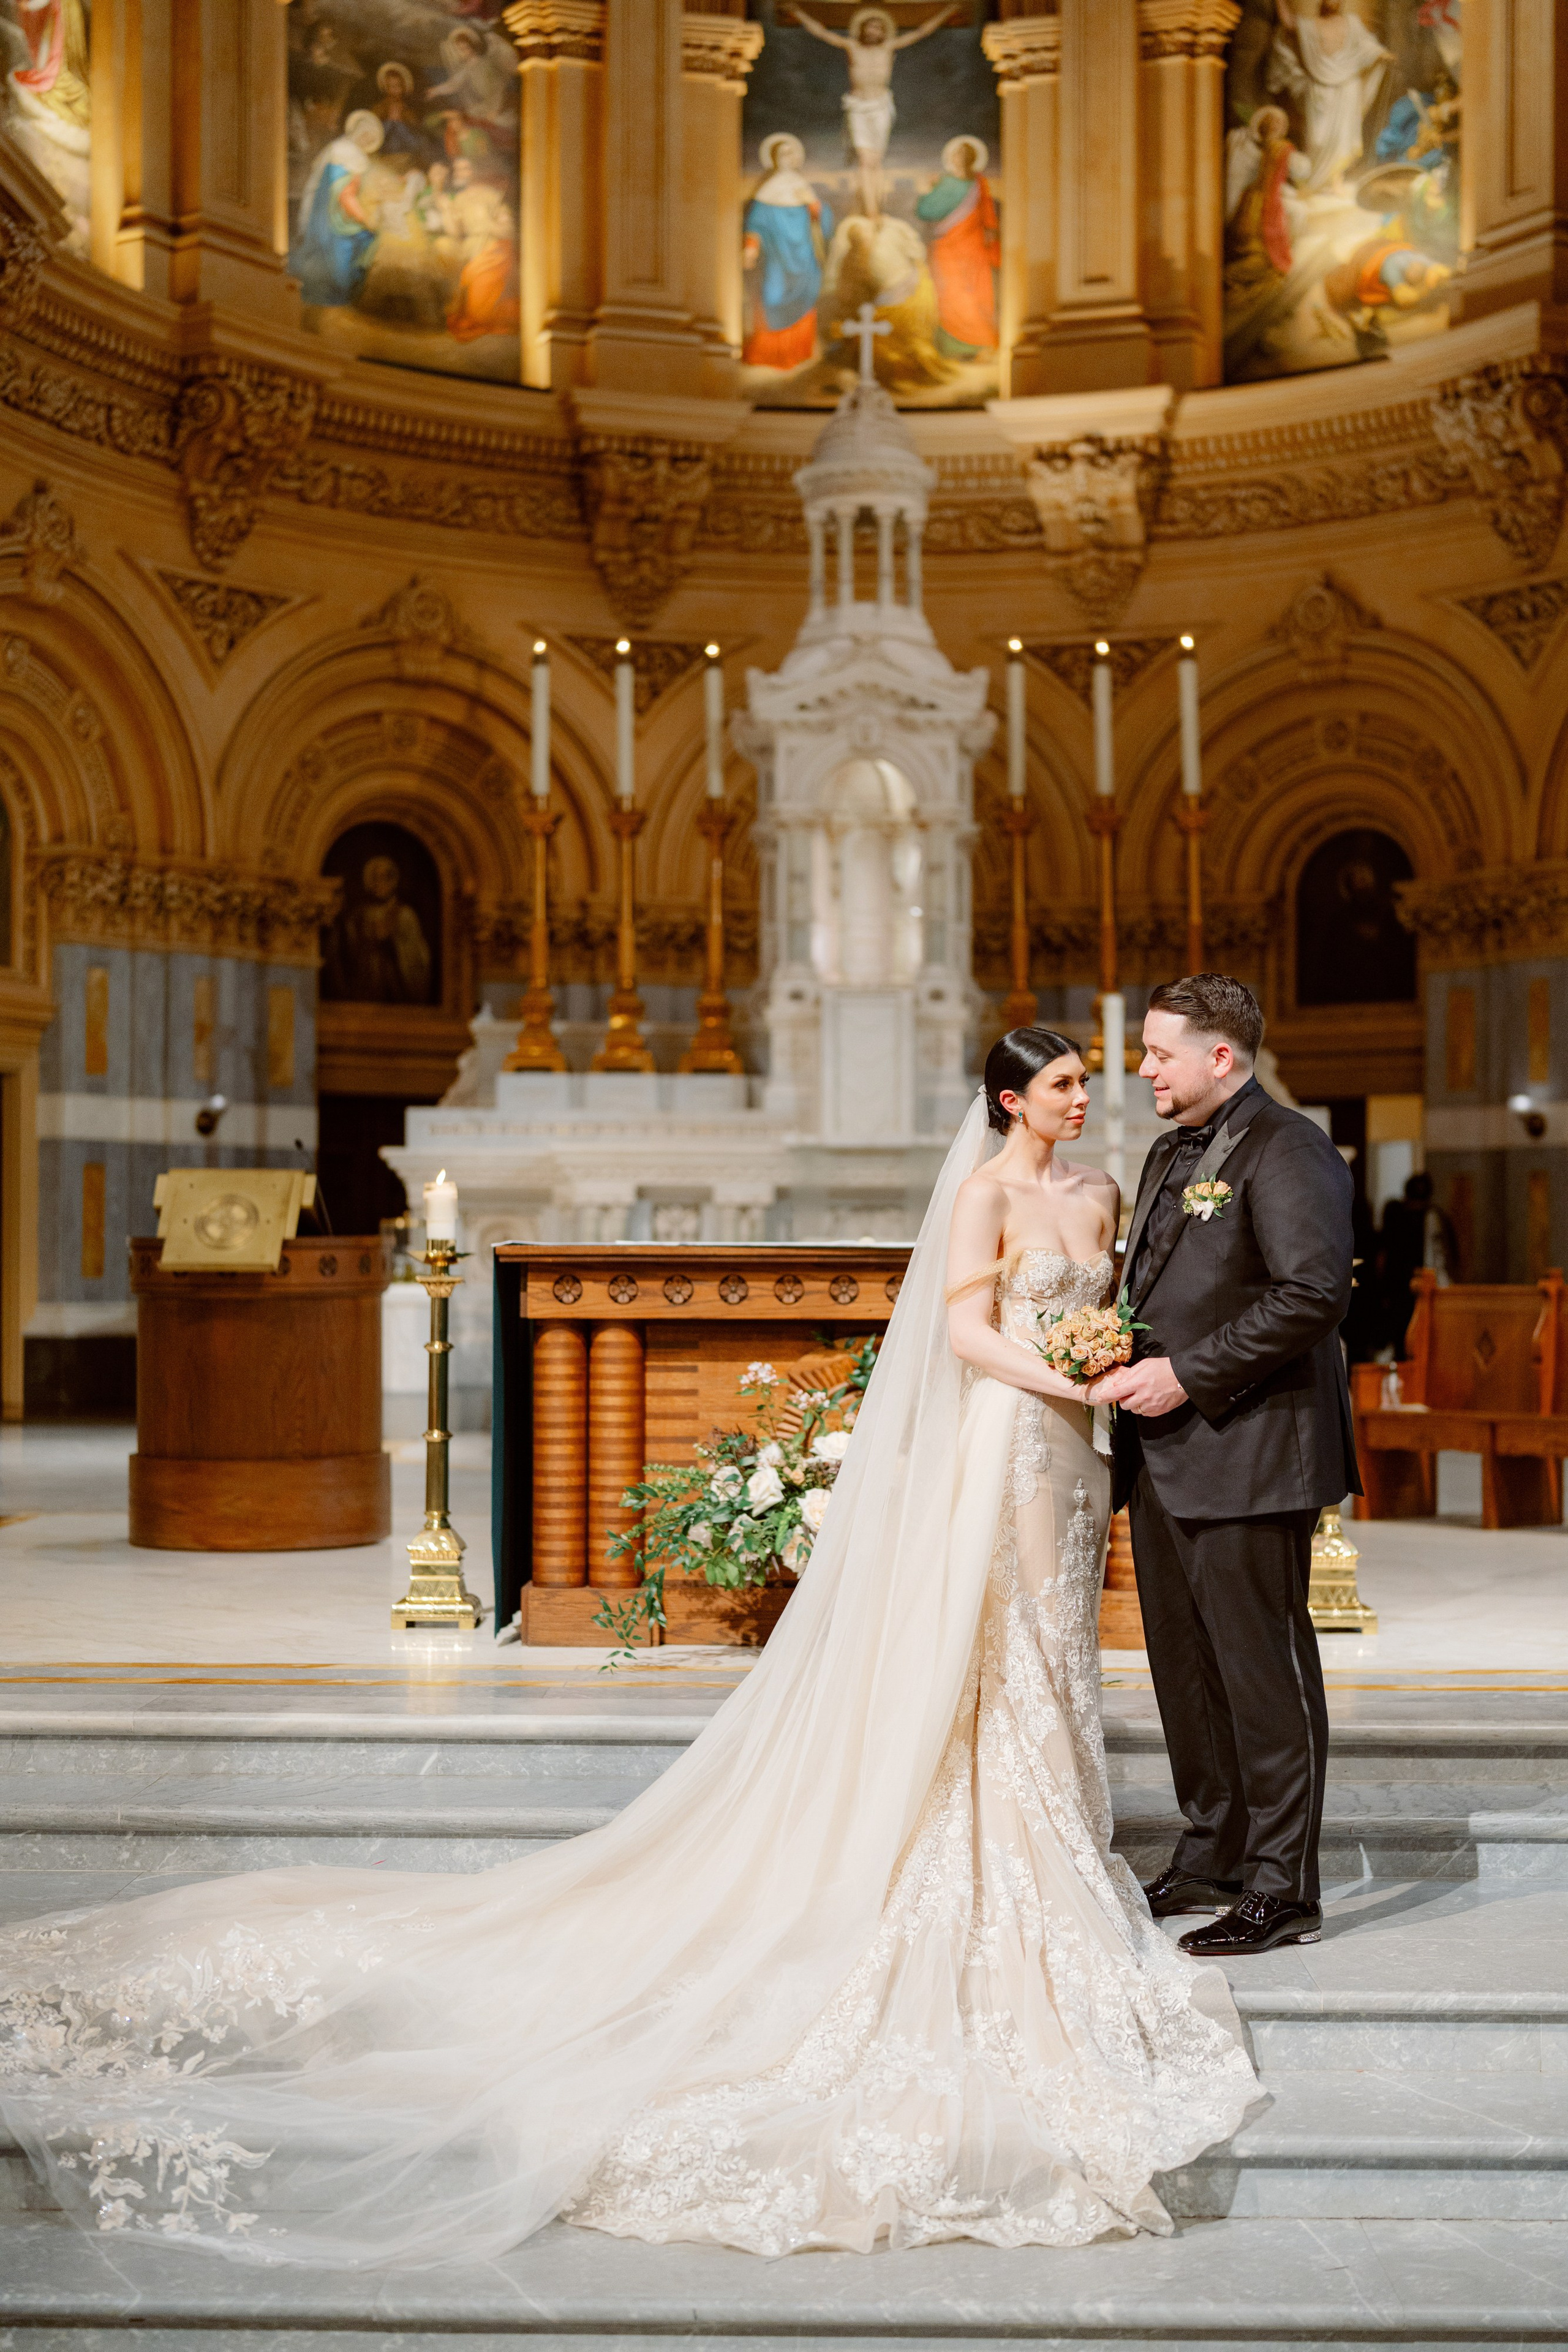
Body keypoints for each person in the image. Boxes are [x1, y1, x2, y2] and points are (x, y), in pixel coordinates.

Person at [0, 1029, 1257, 2266]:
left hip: (1077, 1455)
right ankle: (1002, 1836)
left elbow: (1117, 1304)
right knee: (1000, 1645)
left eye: (1086, 1080)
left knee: (1054, 1646)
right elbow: (965, 1337)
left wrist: (1112, 1362)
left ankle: (1054, 1824)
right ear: (1008, 1100)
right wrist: (1073, 1377)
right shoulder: (983, 1195)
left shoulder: (1104, 1188)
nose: (1083, 1096)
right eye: (1061, 1083)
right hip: (1013, 1438)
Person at [1090, 975, 1360, 1959]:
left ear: (1221, 1056)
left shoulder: (1290, 1148)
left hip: (1251, 1451)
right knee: (1187, 1669)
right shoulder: (1172, 1150)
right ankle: (1213, 1852)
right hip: (1167, 1455)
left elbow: (1312, 1295)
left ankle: (1284, 1887)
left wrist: (1185, 1375)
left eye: (1160, 1053)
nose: (1144, 1069)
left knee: (1261, 1674)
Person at [790, 2, 957, 219]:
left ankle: (876, 208)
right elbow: (822, 33)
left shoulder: (889, 47)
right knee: (864, 161)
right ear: (862, 30)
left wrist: (947, 12)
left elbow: (922, 31)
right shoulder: (852, 46)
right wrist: (797, 13)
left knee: (875, 162)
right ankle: (870, 210)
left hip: (880, 106)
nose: (873, 31)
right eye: (870, 27)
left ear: (884, 32)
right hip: (858, 107)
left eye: (878, 28)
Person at [1267, 0, 1390, 193]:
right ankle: (1315, 182)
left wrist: (1380, 54)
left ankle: (1336, 181)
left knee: (1344, 140)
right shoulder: (1311, 25)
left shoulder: (1352, 22)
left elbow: (1366, 46)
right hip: (1321, 89)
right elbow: (1289, 23)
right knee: (1318, 139)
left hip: (1348, 88)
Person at [742, 132, 833, 372]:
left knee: (805, 298)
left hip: (804, 259)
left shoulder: (802, 187)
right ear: (774, 158)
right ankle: (769, 353)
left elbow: (823, 221)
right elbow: (755, 224)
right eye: (782, 154)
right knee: (772, 296)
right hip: (778, 258)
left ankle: (799, 352)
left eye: (791, 153)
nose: (787, 158)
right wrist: (750, 249)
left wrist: (813, 204)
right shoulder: (768, 190)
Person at [915, 137, 1000, 358]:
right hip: (973, 249)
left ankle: (965, 345)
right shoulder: (979, 184)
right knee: (970, 294)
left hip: (952, 251)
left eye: (959, 154)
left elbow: (925, 210)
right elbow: (989, 218)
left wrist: (929, 190)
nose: (955, 158)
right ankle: (979, 342)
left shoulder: (948, 185)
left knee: (954, 294)